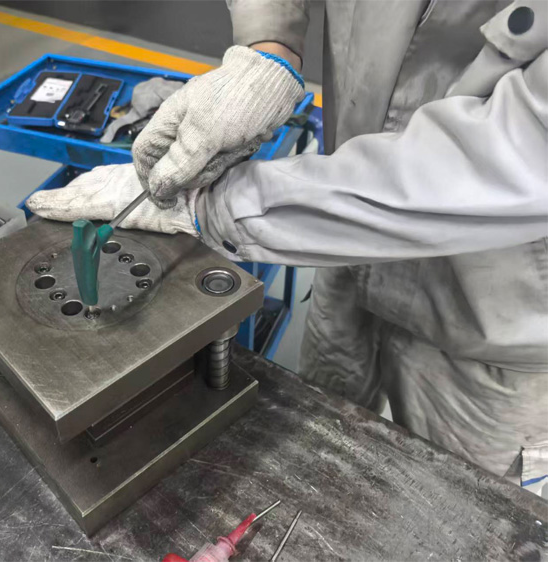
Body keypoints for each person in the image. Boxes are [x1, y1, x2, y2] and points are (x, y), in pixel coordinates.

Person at [27, 0, 548, 491]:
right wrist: (269, 45)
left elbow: (520, 156)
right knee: (315, 465)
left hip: (493, 326)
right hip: (337, 254)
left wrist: (217, 206)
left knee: (455, 510)